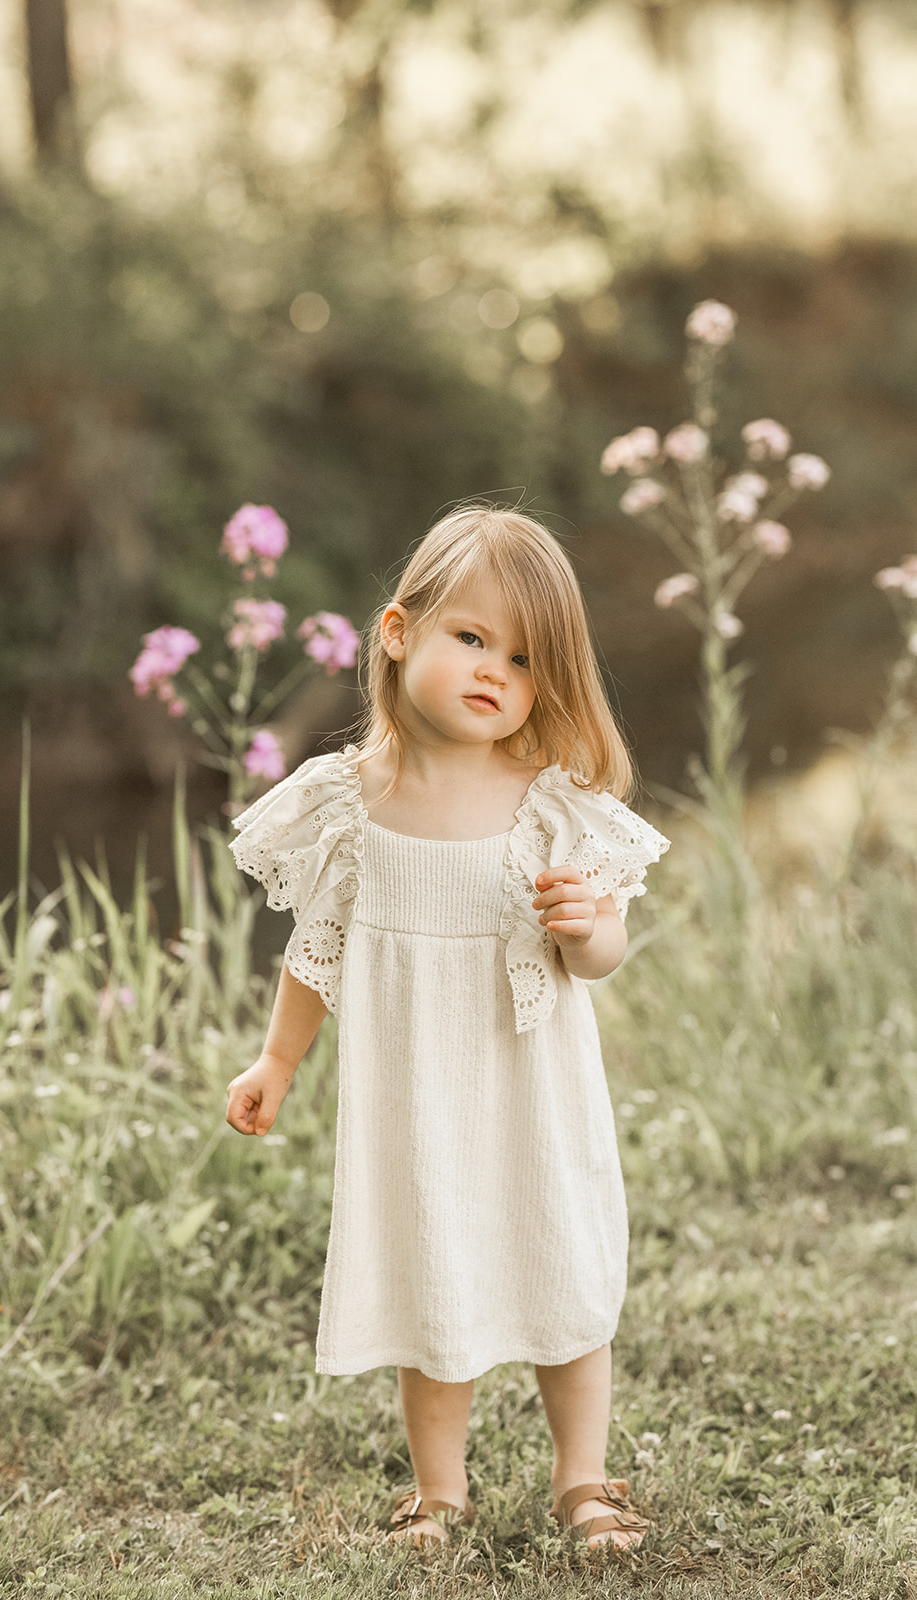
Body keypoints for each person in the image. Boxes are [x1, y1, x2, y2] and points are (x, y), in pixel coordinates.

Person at [225, 504, 668, 1550]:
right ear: (396, 631)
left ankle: (583, 1481)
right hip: (416, 1097)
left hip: (532, 1095)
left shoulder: (547, 805)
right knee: (435, 1272)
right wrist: (277, 1058)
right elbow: (316, 949)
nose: (494, 671)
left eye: (522, 658)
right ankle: (438, 1490)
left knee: (560, 1269)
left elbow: (598, 959)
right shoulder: (346, 805)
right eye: (470, 637)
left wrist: (587, 924)